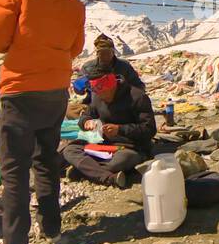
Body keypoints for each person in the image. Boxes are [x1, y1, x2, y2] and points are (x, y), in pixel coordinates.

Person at [0, 0, 85, 244]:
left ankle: (15, 242)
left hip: (20, 88)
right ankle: (52, 227)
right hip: (55, 88)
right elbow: (75, 47)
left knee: (14, 166)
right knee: (46, 159)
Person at [61, 61, 156, 189]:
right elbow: (86, 116)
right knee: (70, 150)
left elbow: (149, 129)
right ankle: (108, 177)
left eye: (103, 92)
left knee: (118, 163)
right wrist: (87, 122)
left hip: (130, 147)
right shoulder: (97, 96)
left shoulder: (137, 97)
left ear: (112, 84)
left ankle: (86, 170)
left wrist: (120, 129)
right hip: (104, 145)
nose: (101, 96)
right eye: (97, 92)